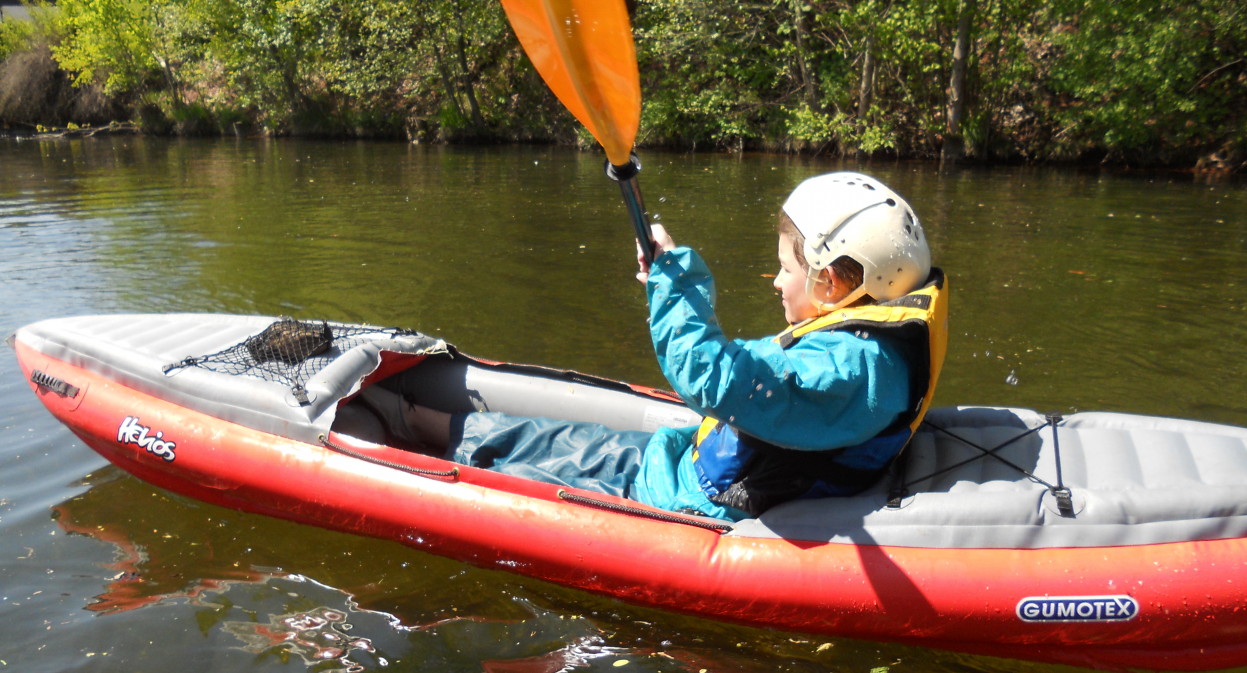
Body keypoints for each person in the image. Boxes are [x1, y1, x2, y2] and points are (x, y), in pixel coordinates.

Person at [334, 171, 947, 521]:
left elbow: (709, 375)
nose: (779, 281)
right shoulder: (871, 348)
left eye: (784, 268)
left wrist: (675, 287)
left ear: (834, 282)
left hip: (687, 506)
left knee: (519, 470)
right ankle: (411, 417)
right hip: (678, 465)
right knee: (547, 439)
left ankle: (385, 446)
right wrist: (672, 272)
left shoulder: (850, 373)